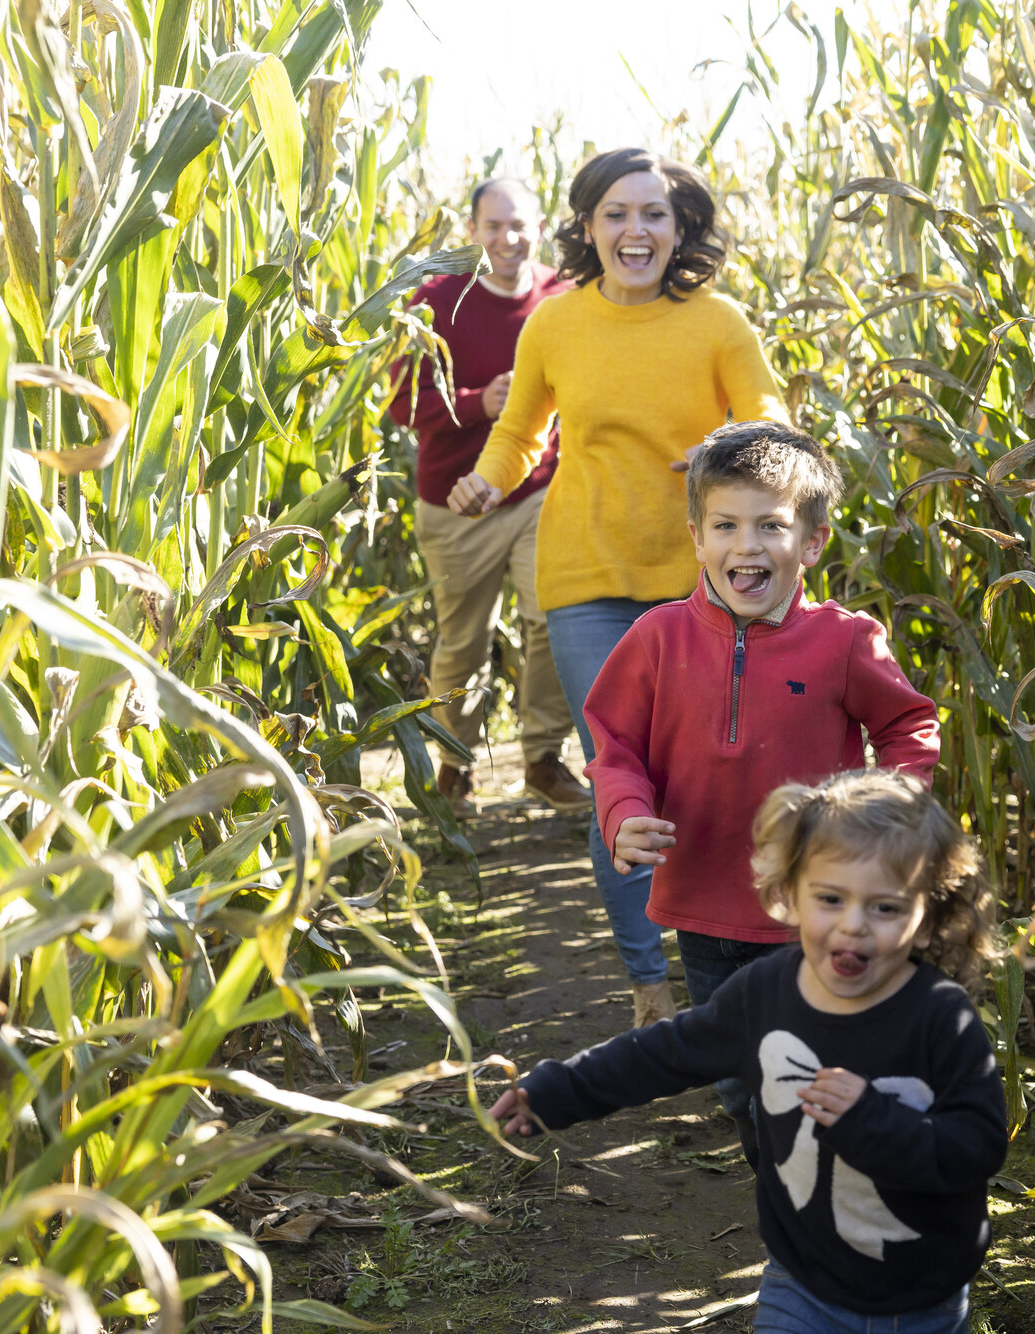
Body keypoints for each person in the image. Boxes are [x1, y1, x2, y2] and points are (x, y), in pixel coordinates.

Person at [448, 148, 787, 1026]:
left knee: (710, 779)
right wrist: (486, 480)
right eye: (617, 214)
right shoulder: (556, 324)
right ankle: (648, 986)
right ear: (589, 227)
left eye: (654, 215)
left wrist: (730, 447)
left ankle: (722, 975)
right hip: (586, 577)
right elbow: (520, 432)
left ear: (680, 229)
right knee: (621, 776)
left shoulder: (717, 322)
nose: (636, 231)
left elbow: (770, 418)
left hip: (702, 582)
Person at [487, 771, 1004, 1334]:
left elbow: (977, 1147)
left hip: (919, 1295)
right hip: (801, 1279)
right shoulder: (764, 995)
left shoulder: (941, 1018)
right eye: (830, 899)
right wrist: (556, 1092)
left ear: (927, 920)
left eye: (885, 908)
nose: (853, 925)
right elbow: (663, 1054)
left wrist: (871, 1121)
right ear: (789, 895)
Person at [581, 420, 942, 1149]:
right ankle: (771, 1148)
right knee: (742, 1080)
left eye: (770, 526)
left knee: (809, 1075)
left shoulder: (845, 640)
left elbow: (909, 724)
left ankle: (816, 1183)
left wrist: (891, 807)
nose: (745, 545)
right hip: (703, 905)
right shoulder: (657, 639)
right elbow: (614, 743)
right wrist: (623, 812)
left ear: (811, 543)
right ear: (696, 538)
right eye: (725, 526)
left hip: (815, 904)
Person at [388, 178, 589, 817]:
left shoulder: (563, 298)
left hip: (538, 492)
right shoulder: (435, 301)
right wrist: (479, 403)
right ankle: (457, 764)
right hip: (454, 501)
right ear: (472, 231)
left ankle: (543, 759)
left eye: (520, 225)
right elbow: (400, 403)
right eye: (494, 226)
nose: (508, 238)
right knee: (462, 642)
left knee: (551, 622)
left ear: (540, 227)